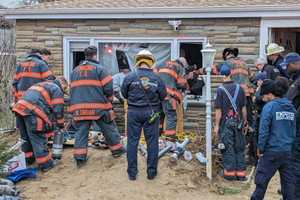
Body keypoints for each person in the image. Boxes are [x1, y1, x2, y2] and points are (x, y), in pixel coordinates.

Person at [69, 46, 125, 168]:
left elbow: (72, 89)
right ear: (95, 55)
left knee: (81, 133)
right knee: (109, 128)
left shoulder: (74, 71)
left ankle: (80, 158)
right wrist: (109, 100)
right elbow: (109, 89)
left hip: (79, 109)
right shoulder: (100, 69)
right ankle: (117, 151)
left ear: (85, 55)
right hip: (98, 108)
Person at [121, 49, 167, 181]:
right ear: (151, 61)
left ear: (138, 61)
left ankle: (132, 173)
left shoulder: (129, 77)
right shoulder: (157, 78)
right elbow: (163, 96)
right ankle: (151, 173)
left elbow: (124, 94)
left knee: (132, 142)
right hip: (151, 113)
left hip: (133, 112)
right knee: (152, 142)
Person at [251, 77, 296, 200]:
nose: (263, 98)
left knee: (261, 182)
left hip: (271, 151)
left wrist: (260, 148)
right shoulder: (291, 108)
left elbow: (264, 130)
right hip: (287, 151)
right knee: (288, 185)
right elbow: (293, 130)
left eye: (264, 95)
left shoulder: (269, 107)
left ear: (270, 94)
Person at [12, 77, 67, 171]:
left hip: (20, 109)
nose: (63, 91)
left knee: (26, 138)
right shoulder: (56, 89)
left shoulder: (41, 84)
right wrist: (61, 124)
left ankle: (28, 159)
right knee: (38, 137)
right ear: (62, 83)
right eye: (65, 88)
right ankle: (46, 164)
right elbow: (58, 110)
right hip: (32, 112)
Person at [214, 67, 248, 181]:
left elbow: (218, 111)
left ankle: (230, 174)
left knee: (228, 148)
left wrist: (217, 126)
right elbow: (243, 108)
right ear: (231, 74)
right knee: (239, 147)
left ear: (222, 75)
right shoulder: (240, 88)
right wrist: (245, 122)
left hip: (226, 123)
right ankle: (241, 174)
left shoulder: (220, 90)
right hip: (239, 122)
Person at [282, 52, 300, 199]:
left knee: (295, 160)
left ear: (295, 63)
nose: (286, 69)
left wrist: (294, 116)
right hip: (293, 127)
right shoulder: (295, 78)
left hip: (297, 126)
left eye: (288, 66)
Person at [157, 57, 188, 140]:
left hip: (157, 95)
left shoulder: (162, 64)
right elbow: (180, 83)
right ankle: (169, 139)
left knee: (159, 115)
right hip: (168, 95)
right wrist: (186, 83)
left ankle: (157, 135)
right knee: (171, 115)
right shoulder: (179, 67)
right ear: (183, 64)